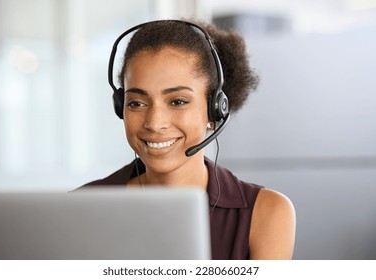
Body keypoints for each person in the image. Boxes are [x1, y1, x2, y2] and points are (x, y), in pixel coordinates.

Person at [76, 19, 296, 260]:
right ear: (121, 108)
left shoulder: (266, 213)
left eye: (178, 101)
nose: (154, 123)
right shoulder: (81, 207)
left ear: (214, 110)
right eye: (136, 103)